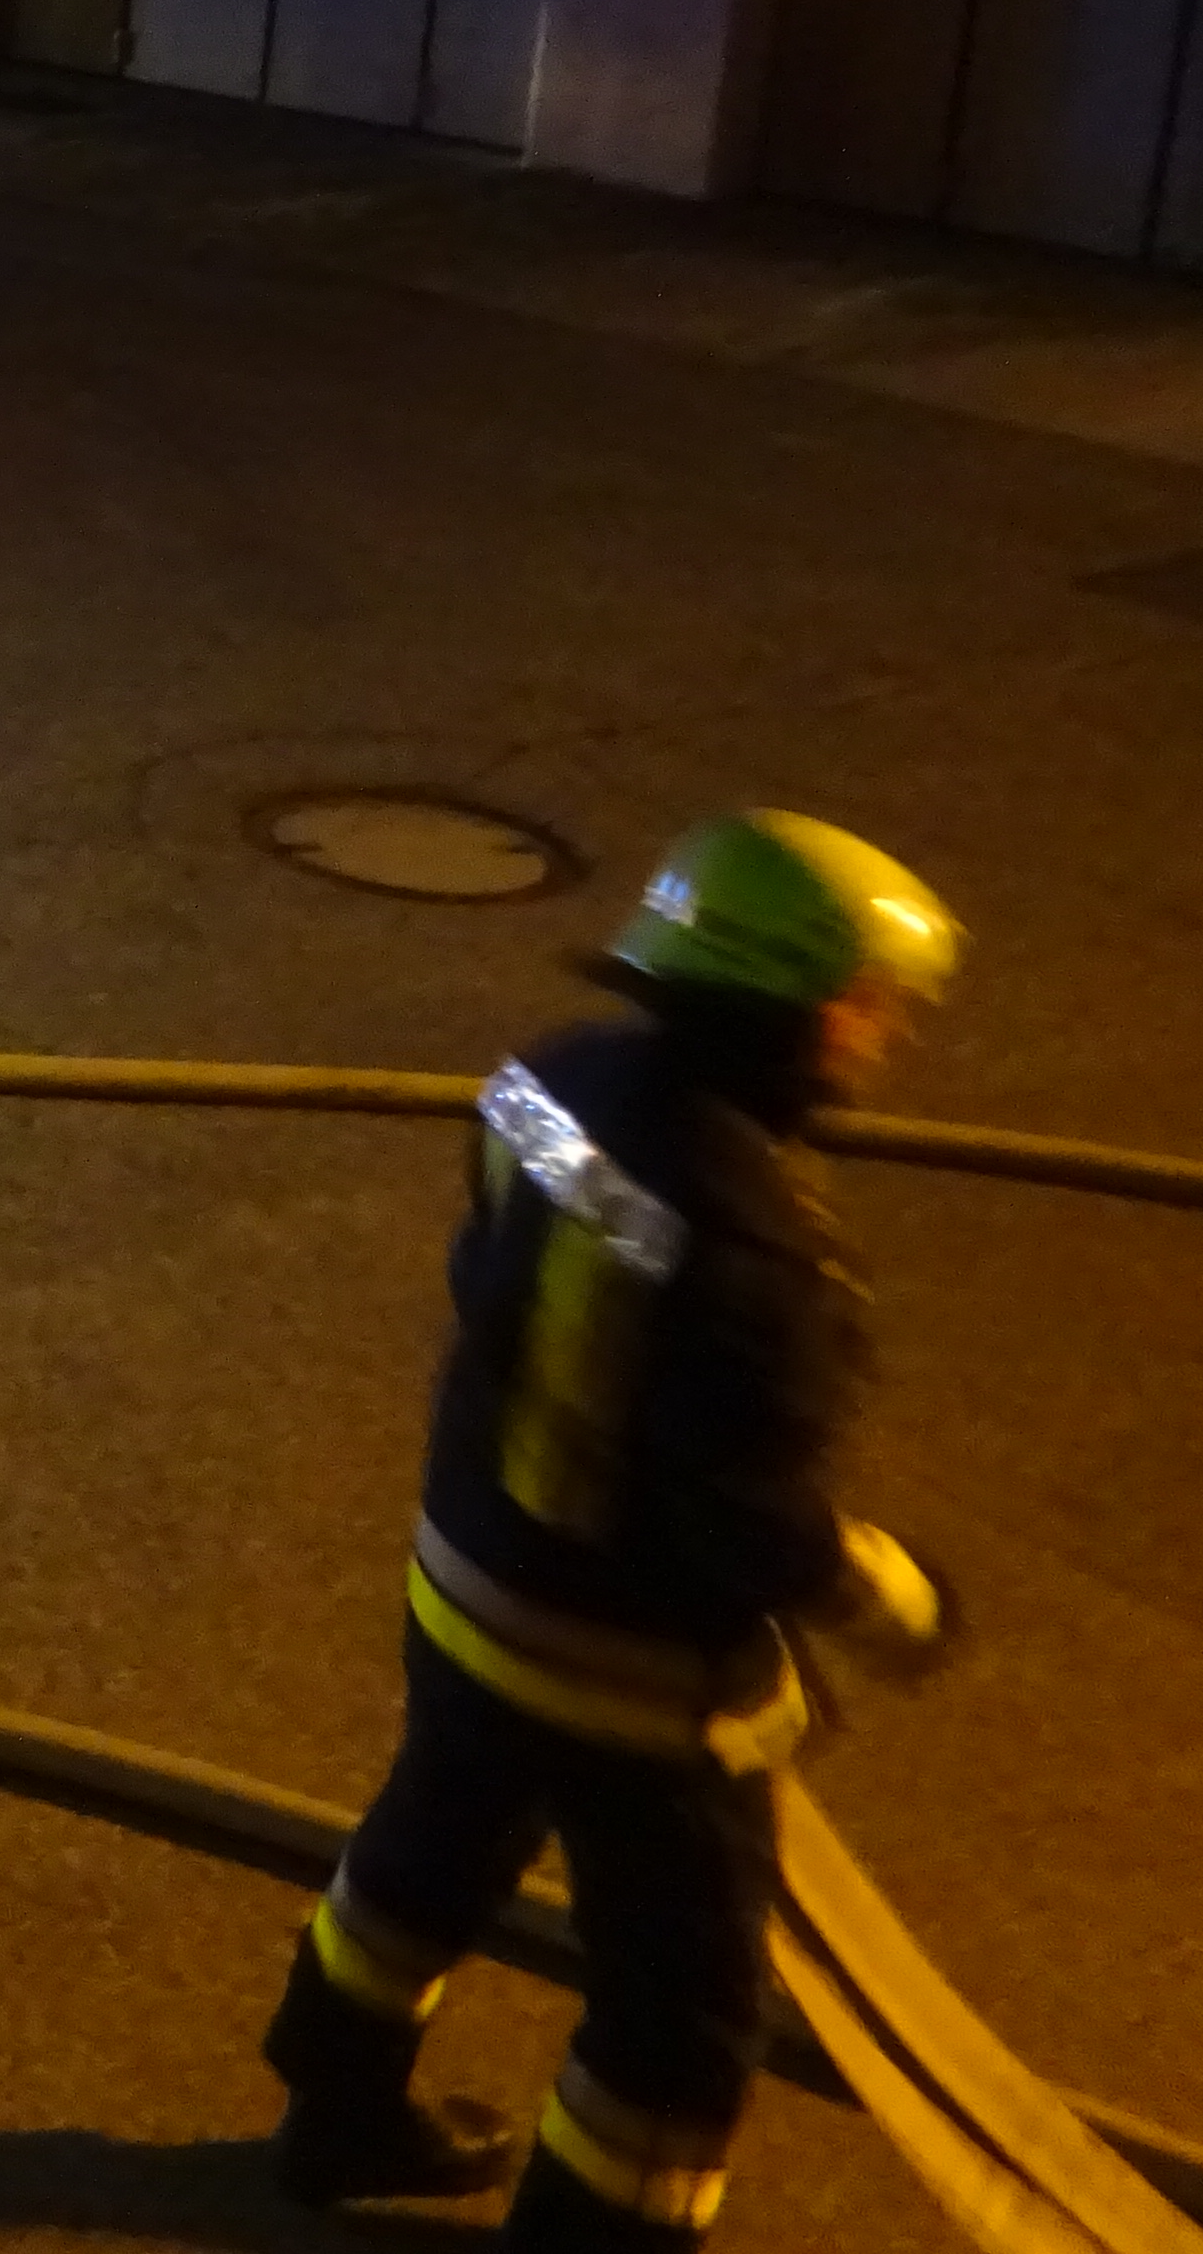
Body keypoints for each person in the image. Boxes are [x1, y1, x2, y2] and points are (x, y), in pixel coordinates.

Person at [261, 811, 963, 2247]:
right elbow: (747, 1515)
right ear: (795, 1003)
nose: (883, 1038)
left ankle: (335, 2100)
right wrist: (888, 1598)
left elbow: (519, 1247)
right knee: (680, 2019)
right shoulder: (762, 1251)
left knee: (432, 1847)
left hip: (471, 1579)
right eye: (870, 1006)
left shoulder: (548, 1079)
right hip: (624, 1681)